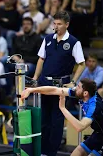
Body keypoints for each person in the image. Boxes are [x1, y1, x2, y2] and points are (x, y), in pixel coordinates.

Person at [32, 11, 86, 156]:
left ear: (67, 24)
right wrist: (35, 78)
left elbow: (81, 64)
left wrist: (73, 82)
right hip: (44, 83)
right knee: (43, 119)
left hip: (61, 86)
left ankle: (51, 152)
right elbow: (41, 59)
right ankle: (42, 151)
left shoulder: (74, 42)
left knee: (56, 121)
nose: (56, 26)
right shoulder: (48, 39)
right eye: (54, 23)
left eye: (59, 24)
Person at [21, 78, 103, 156]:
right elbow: (54, 90)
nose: (75, 88)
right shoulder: (85, 93)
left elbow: (80, 127)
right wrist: (32, 90)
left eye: (78, 87)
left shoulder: (94, 107)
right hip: (98, 134)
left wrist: (62, 108)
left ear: (85, 93)